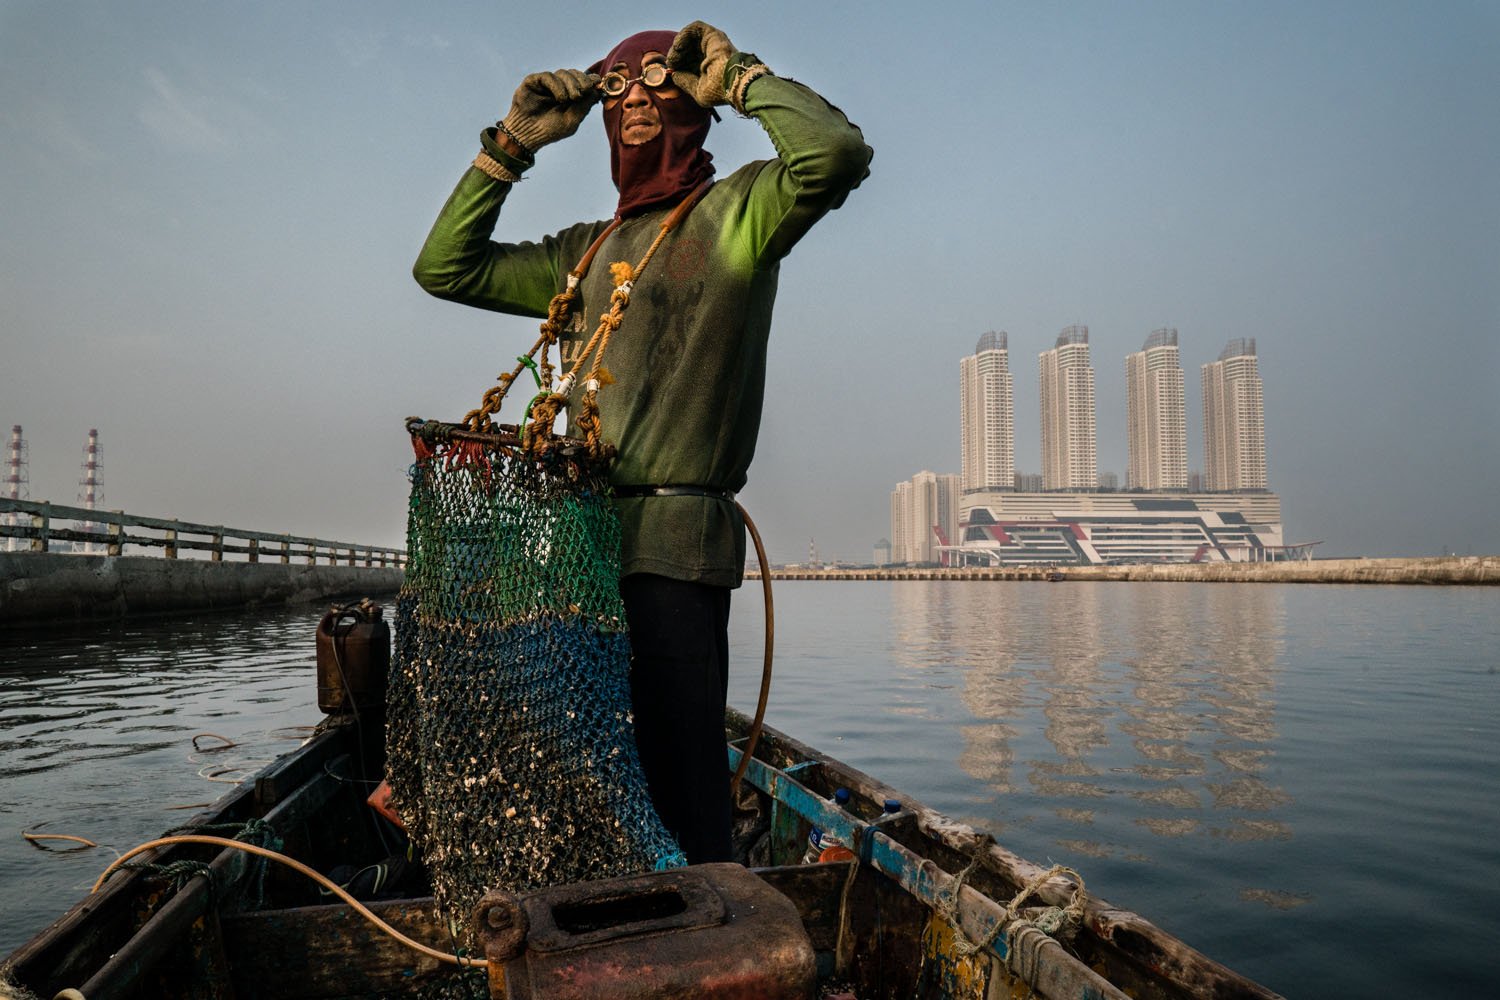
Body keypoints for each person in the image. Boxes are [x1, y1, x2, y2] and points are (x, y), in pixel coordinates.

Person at [412, 21, 871, 864]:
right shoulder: (582, 254)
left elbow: (835, 154)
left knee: (682, 777)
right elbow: (445, 267)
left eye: (658, 79)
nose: (634, 98)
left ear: (690, 99)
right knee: (582, 763)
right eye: (615, 84)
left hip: (672, 548)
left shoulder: (739, 213)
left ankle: (709, 923)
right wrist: (511, 146)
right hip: (573, 550)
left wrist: (738, 78)